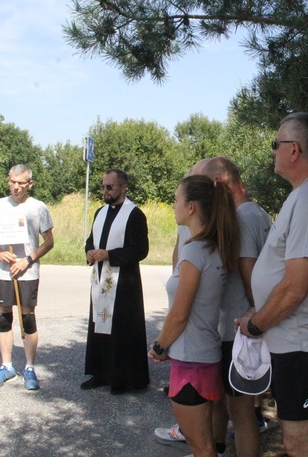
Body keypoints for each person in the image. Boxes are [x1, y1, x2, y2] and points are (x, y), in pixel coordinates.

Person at [237, 112, 308, 456]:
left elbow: (296, 286)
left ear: (295, 150)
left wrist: (256, 324)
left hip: (305, 341)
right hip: (299, 339)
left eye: (276, 144)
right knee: (297, 435)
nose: (273, 152)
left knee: (301, 440)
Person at [148, 175, 240, 457]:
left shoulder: (194, 251)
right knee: (207, 445)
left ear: (191, 208)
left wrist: (160, 346)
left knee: (200, 448)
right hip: (207, 355)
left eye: (176, 200)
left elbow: (180, 314)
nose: (173, 205)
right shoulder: (216, 247)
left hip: (190, 361)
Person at [203, 156, 271, 457]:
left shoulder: (242, 217)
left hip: (239, 331)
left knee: (241, 413)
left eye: (206, 187)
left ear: (219, 183)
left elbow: (250, 275)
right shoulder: (256, 212)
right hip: (240, 328)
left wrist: (257, 316)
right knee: (234, 406)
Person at [0, 164, 54, 390]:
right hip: (2, 272)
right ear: (8, 180)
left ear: (29, 184)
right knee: (4, 317)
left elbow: (49, 242)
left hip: (27, 272)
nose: (16, 187)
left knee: (27, 318)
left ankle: (29, 368)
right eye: (12, 182)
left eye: (21, 183)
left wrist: (27, 260)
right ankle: (6, 366)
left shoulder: (38, 208)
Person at [81, 168, 150, 395]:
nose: (105, 190)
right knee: (99, 326)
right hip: (101, 280)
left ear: (123, 187)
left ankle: (122, 377)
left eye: (109, 186)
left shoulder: (134, 214)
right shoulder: (99, 213)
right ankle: (100, 373)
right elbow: (91, 241)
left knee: (122, 330)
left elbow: (140, 250)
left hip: (124, 284)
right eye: (102, 186)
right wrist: (90, 252)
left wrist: (109, 255)